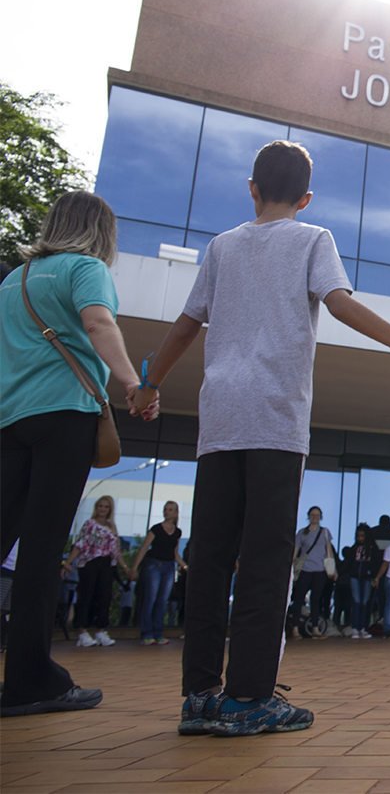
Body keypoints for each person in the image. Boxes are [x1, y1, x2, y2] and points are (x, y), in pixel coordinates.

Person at [128, 140, 390, 735]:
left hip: (220, 421)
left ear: (251, 188)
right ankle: (250, 698)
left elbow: (184, 327)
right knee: (265, 560)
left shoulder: (222, 246)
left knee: (209, 561)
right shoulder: (313, 239)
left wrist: (149, 384)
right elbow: (340, 304)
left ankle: (200, 697)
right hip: (275, 421)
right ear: (306, 198)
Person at [1, 191, 154, 717]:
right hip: (62, 416)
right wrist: (133, 383)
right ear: (101, 232)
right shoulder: (85, 268)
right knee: (42, 553)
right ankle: (30, 680)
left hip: (9, 420)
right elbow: (98, 324)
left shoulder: (12, 280)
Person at [64, 495, 132, 648]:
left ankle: (101, 630)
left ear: (110, 510)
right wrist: (68, 563)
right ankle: (82, 632)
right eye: (100, 506)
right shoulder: (89, 524)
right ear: (96, 508)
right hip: (90, 563)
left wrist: (125, 568)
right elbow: (79, 544)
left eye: (106, 507)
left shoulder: (112, 527)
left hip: (107, 565)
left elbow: (117, 551)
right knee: (87, 595)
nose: (102, 509)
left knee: (104, 597)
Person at [130, 500, 187, 645]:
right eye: (165, 509)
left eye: (170, 509)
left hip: (169, 567)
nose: (167, 512)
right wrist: (134, 567)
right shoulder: (155, 529)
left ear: (175, 513)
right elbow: (144, 548)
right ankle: (146, 633)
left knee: (162, 601)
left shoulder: (177, 532)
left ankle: (158, 632)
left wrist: (186, 567)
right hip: (154, 565)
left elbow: (175, 553)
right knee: (151, 598)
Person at [290, 506, 335, 639]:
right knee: (299, 599)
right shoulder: (302, 533)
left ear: (320, 517)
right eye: (312, 515)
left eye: (317, 515)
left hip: (320, 569)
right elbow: (296, 550)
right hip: (305, 569)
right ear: (308, 516)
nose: (315, 517)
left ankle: (315, 628)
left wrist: (333, 569)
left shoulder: (325, 532)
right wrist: (291, 565)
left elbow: (329, 551)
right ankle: (295, 629)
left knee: (316, 600)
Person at [347, 524, 380, 639]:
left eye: (362, 536)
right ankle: (355, 628)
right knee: (357, 602)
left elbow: (376, 564)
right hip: (355, 576)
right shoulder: (354, 548)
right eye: (358, 536)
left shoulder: (373, 549)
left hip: (367, 578)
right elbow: (349, 562)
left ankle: (363, 628)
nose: (360, 538)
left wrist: (375, 577)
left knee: (364, 602)